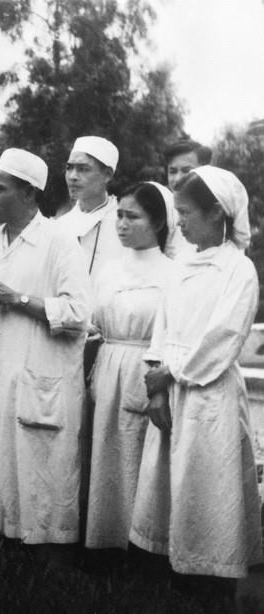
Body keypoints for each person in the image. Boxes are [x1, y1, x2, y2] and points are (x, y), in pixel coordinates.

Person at [131, 166, 263, 579]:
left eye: (187, 213)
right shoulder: (180, 265)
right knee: (165, 489)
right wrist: (156, 389)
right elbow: (162, 329)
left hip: (209, 396)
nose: (180, 221)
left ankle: (212, 578)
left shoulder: (237, 270)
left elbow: (222, 339)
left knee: (208, 489)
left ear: (217, 214)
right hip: (168, 393)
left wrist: (171, 375)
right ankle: (165, 577)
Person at [0, 148, 90, 548]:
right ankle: (5, 570)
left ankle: (51, 581)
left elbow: (77, 315)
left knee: (43, 483)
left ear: (28, 192)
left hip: (40, 378)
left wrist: (16, 297)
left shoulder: (59, 241)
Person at [85, 182, 179, 551]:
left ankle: (141, 546)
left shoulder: (173, 273)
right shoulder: (108, 270)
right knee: (106, 455)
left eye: (132, 216)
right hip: (108, 366)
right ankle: (104, 541)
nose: (121, 224)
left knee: (139, 456)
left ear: (157, 222)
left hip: (145, 368)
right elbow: (92, 320)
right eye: (118, 216)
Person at [58, 136, 126, 280]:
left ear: (107, 175)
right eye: (69, 168)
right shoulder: (59, 226)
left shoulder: (124, 222)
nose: (73, 177)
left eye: (83, 169)